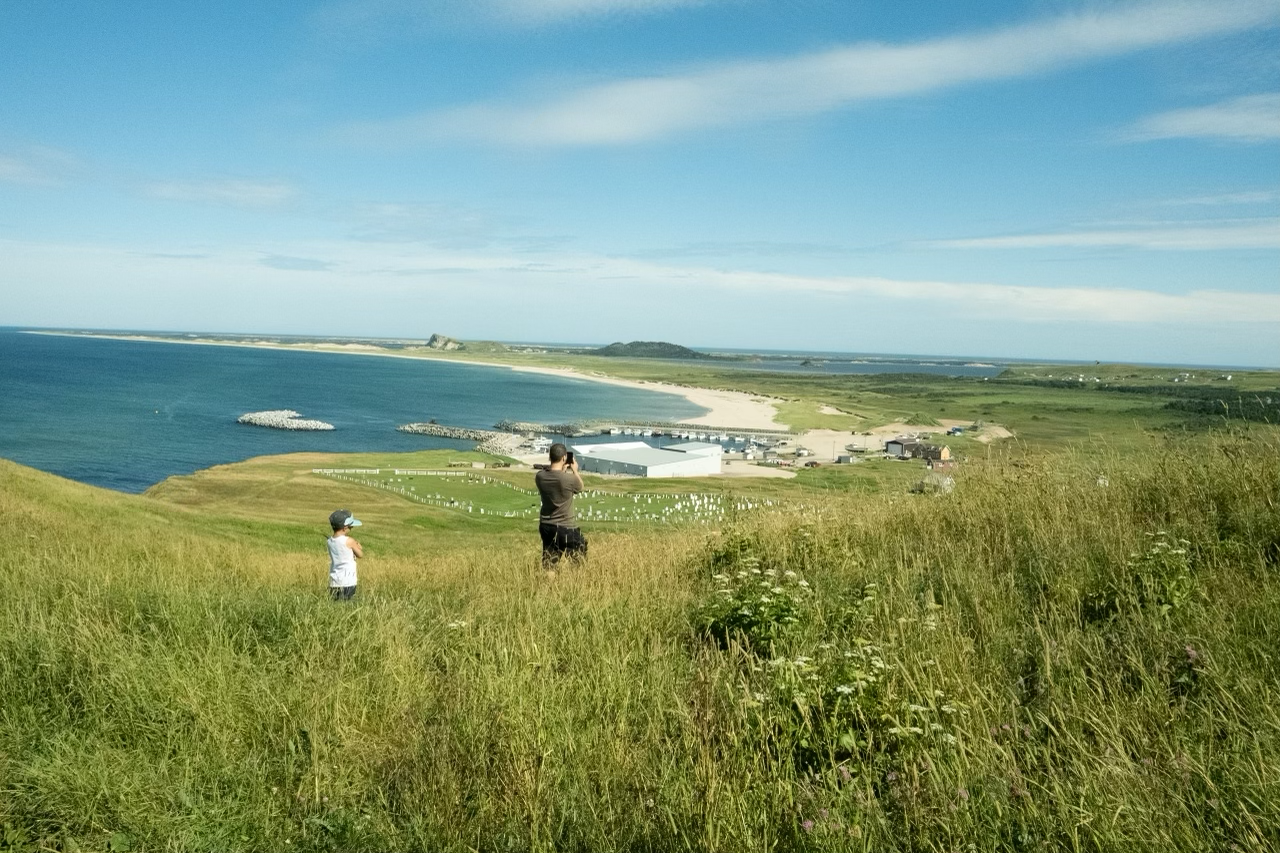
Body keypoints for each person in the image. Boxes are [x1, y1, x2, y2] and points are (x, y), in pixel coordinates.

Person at [535, 443, 587, 569]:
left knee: (550, 562)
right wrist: (575, 470)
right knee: (578, 561)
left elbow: (555, 479)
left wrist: (562, 470)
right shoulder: (569, 479)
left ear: (549, 457)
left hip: (546, 525)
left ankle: (550, 586)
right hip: (566, 526)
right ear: (564, 458)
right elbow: (580, 487)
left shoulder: (540, 477)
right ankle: (574, 584)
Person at [327, 509, 363, 600]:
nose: (351, 528)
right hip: (348, 581)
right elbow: (360, 554)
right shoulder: (349, 541)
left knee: (335, 605)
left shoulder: (329, 541)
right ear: (344, 528)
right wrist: (357, 545)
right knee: (346, 604)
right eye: (350, 527)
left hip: (334, 581)